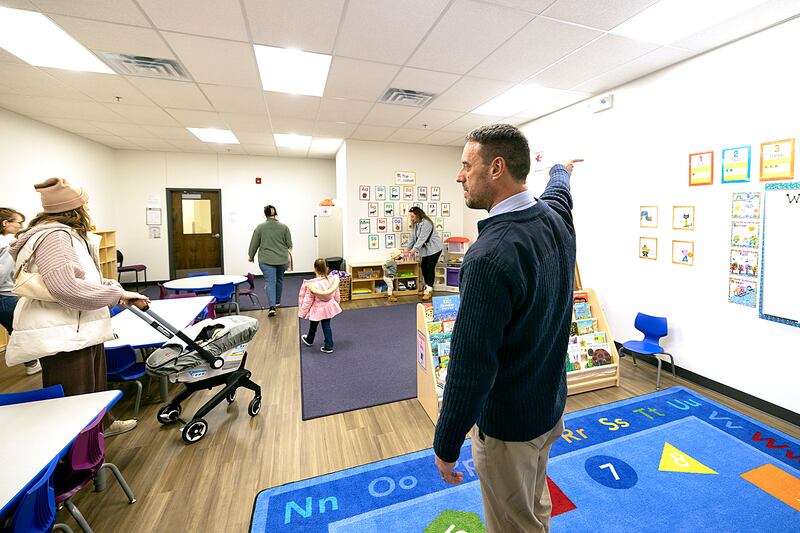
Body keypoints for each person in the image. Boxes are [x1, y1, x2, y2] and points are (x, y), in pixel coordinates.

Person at [433, 124, 582, 533]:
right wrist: (560, 170)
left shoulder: (488, 256)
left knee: (513, 525)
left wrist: (446, 443)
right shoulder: (555, 219)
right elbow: (558, 193)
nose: (459, 175)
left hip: (511, 428)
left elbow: (470, 366)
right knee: (535, 505)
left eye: (466, 165)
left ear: (496, 168)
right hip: (547, 410)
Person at [5, 178, 149, 437]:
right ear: (75, 209)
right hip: (64, 331)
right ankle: (75, 457)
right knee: (74, 396)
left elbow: (84, 279)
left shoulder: (67, 235)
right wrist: (114, 294)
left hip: (79, 326)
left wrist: (118, 292)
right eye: (85, 205)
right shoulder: (55, 237)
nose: (88, 210)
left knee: (92, 387)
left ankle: (100, 427)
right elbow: (66, 288)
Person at [0, 207, 42, 375]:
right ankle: (32, 364)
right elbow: (2, 274)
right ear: (5, 223)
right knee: (20, 330)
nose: (21, 226)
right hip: (5, 297)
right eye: (18, 222)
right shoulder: (7, 245)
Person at [248, 205, 292, 317]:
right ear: (276, 213)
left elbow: (254, 243)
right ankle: (277, 302)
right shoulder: (284, 227)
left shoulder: (260, 227)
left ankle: (272, 307)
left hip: (266, 260)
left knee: (269, 282)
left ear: (265, 214)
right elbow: (289, 244)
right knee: (279, 280)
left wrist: (251, 256)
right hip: (282, 259)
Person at [298, 258, 341, 354]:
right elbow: (336, 293)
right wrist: (337, 302)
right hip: (328, 307)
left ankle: (309, 339)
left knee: (313, 325)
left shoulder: (312, 285)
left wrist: (303, 312)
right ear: (327, 268)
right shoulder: (332, 280)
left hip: (317, 309)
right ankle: (328, 345)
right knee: (326, 326)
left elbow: (308, 301)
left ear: (314, 269)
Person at [403, 206, 443, 301]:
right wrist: (406, 249)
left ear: (418, 215)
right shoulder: (415, 224)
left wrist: (413, 251)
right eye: (410, 216)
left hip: (434, 248)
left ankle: (429, 290)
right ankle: (427, 287)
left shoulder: (427, 223)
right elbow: (412, 238)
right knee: (423, 267)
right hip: (425, 250)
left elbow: (422, 239)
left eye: (412, 216)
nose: (411, 219)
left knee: (429, 267)